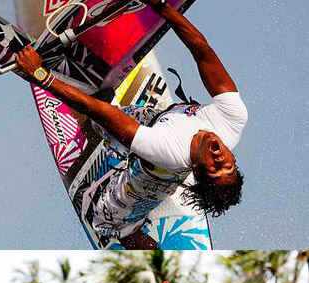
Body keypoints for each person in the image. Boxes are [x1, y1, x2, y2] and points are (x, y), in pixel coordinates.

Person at [14, 0, 247, 249]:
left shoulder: (168, 152)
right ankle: (117, 135)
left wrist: (40, 74)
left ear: (198, 171)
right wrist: (162, 7)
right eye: (229, 167)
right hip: (157, 120)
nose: (221, 162)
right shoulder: (233, 119)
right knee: (103, 125)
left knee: (108, 222)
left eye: (215, 170)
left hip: (149, 175)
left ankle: (145, 247)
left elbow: (98, 111)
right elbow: (202, 52)